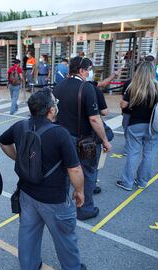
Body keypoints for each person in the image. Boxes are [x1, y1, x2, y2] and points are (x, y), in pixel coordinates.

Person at [0, 90, 87, 270]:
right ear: (51, 110)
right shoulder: (60, 134)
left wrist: (19, 159)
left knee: (28, 235)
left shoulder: (20, 126)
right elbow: (75, 170)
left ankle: (29, 269)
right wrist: (80, 191)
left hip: (27, 194)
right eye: (55, 102)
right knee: (65, 238)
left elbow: (3, 141)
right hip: (54, 199)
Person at [53, 56, 112, 220]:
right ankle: (84, 209)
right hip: (84, 141)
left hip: (62, 138)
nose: (90, 72)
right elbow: (95, 118)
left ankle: (62, 205)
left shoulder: (58, 86)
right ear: (81, 71)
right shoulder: (86, 88)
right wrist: (105, 140)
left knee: (64, 173)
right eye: (88, 69)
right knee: (87, 173)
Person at [117, 61, 158, 191]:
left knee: (133, 153)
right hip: (154, 125)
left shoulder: (133, 87)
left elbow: (123, 105)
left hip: (136, 123)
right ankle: (142, 181)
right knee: (149, 154)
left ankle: (127, 182)